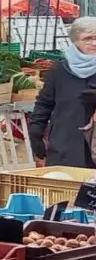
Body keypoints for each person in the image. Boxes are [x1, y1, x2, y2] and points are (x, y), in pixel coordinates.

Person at [29, 17, 96, 167]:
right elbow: (44, 103)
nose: (94, 43)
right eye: (88, 39)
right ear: (75, 41)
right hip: (65, 143)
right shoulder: (59, 70)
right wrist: (36, 132)